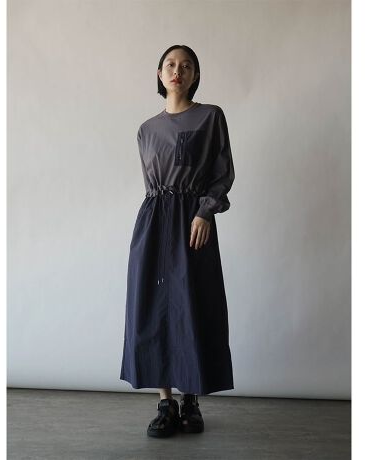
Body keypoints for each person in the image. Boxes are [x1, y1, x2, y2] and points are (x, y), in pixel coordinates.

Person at [119, 44, 235, 438]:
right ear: (159, 73)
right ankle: (165, 402)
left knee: (193, 304)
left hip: (191, 220)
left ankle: (191, 401)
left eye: (186, 66)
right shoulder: (146, 129)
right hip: (153, 223)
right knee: (152, 308)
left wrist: (205, 211)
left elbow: (221, 171)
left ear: (195, 75)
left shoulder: (210, 116)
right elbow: (151, 183)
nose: (177, 71)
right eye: (170, 64)